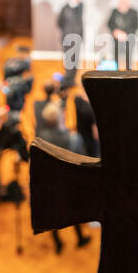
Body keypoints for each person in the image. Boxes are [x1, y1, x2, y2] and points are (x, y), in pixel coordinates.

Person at [34, 104, 93, 254]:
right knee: (74, 211)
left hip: (49, 184)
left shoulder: (40, 138)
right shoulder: (73, 138)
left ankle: (58, 244)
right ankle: (80, 238)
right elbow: (82, 162)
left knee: (54, 212)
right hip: (69, 183)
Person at [57, 0, 84, 87]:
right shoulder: (64, 8)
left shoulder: (80, 6)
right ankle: (67, 80)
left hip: (77, 38)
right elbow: (59, 23)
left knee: (75, 60)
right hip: (67, 38)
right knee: (69, 60)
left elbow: (80, 6)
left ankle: (72, 80)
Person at [107, 0, 138, 69]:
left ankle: (128, 73)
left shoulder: (134, 12)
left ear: (128, 3)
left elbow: (136, 26)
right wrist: (115, 31)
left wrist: (125, 34)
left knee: (129, 58)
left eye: (124, 2)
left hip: (129, 38)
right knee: (116, 57)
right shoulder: (115, 11)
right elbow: (110, 23)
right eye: (121, 2)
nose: (123, 4)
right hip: (117, 38)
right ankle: (116, 73)